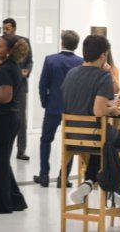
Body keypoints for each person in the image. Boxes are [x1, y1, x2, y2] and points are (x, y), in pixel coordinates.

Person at [61, 34, 120, 214]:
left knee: (105, 143)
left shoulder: (71, 73)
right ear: (103, 55)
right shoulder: (103, 76)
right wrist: (113, 108)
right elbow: (98, 111)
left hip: (71, 136)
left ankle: (88, 182)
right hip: (94, 134)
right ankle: (116, 188)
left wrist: (105, 106)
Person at [0, 34, 28, 213]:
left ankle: (1, 204)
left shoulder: (6, 69)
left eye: (0, 46)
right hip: (8, 117)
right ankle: (15, 200)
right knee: (0, 161)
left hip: (2, 118)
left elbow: (5, 96)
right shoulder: (11, 66)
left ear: (9, 50)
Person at [33, 30, 82, 188]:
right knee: (70, 142)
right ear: (76, 45)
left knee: (46, 140)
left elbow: (43, 84)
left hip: (53, 106)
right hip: (73, 109)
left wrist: (45, 102)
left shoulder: (51, 60)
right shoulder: (81, 62)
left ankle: (44, 175)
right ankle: (63, 177)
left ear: (62, 42)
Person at [0, 18, 32, 161]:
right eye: (3, 28)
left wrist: (27, 71)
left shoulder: (24, 42)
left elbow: (29, 61)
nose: (5, 31)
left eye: (7, 28)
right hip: (3, 83)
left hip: (19, 85)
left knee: (21, 119)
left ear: (14, 28)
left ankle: (21, 150)